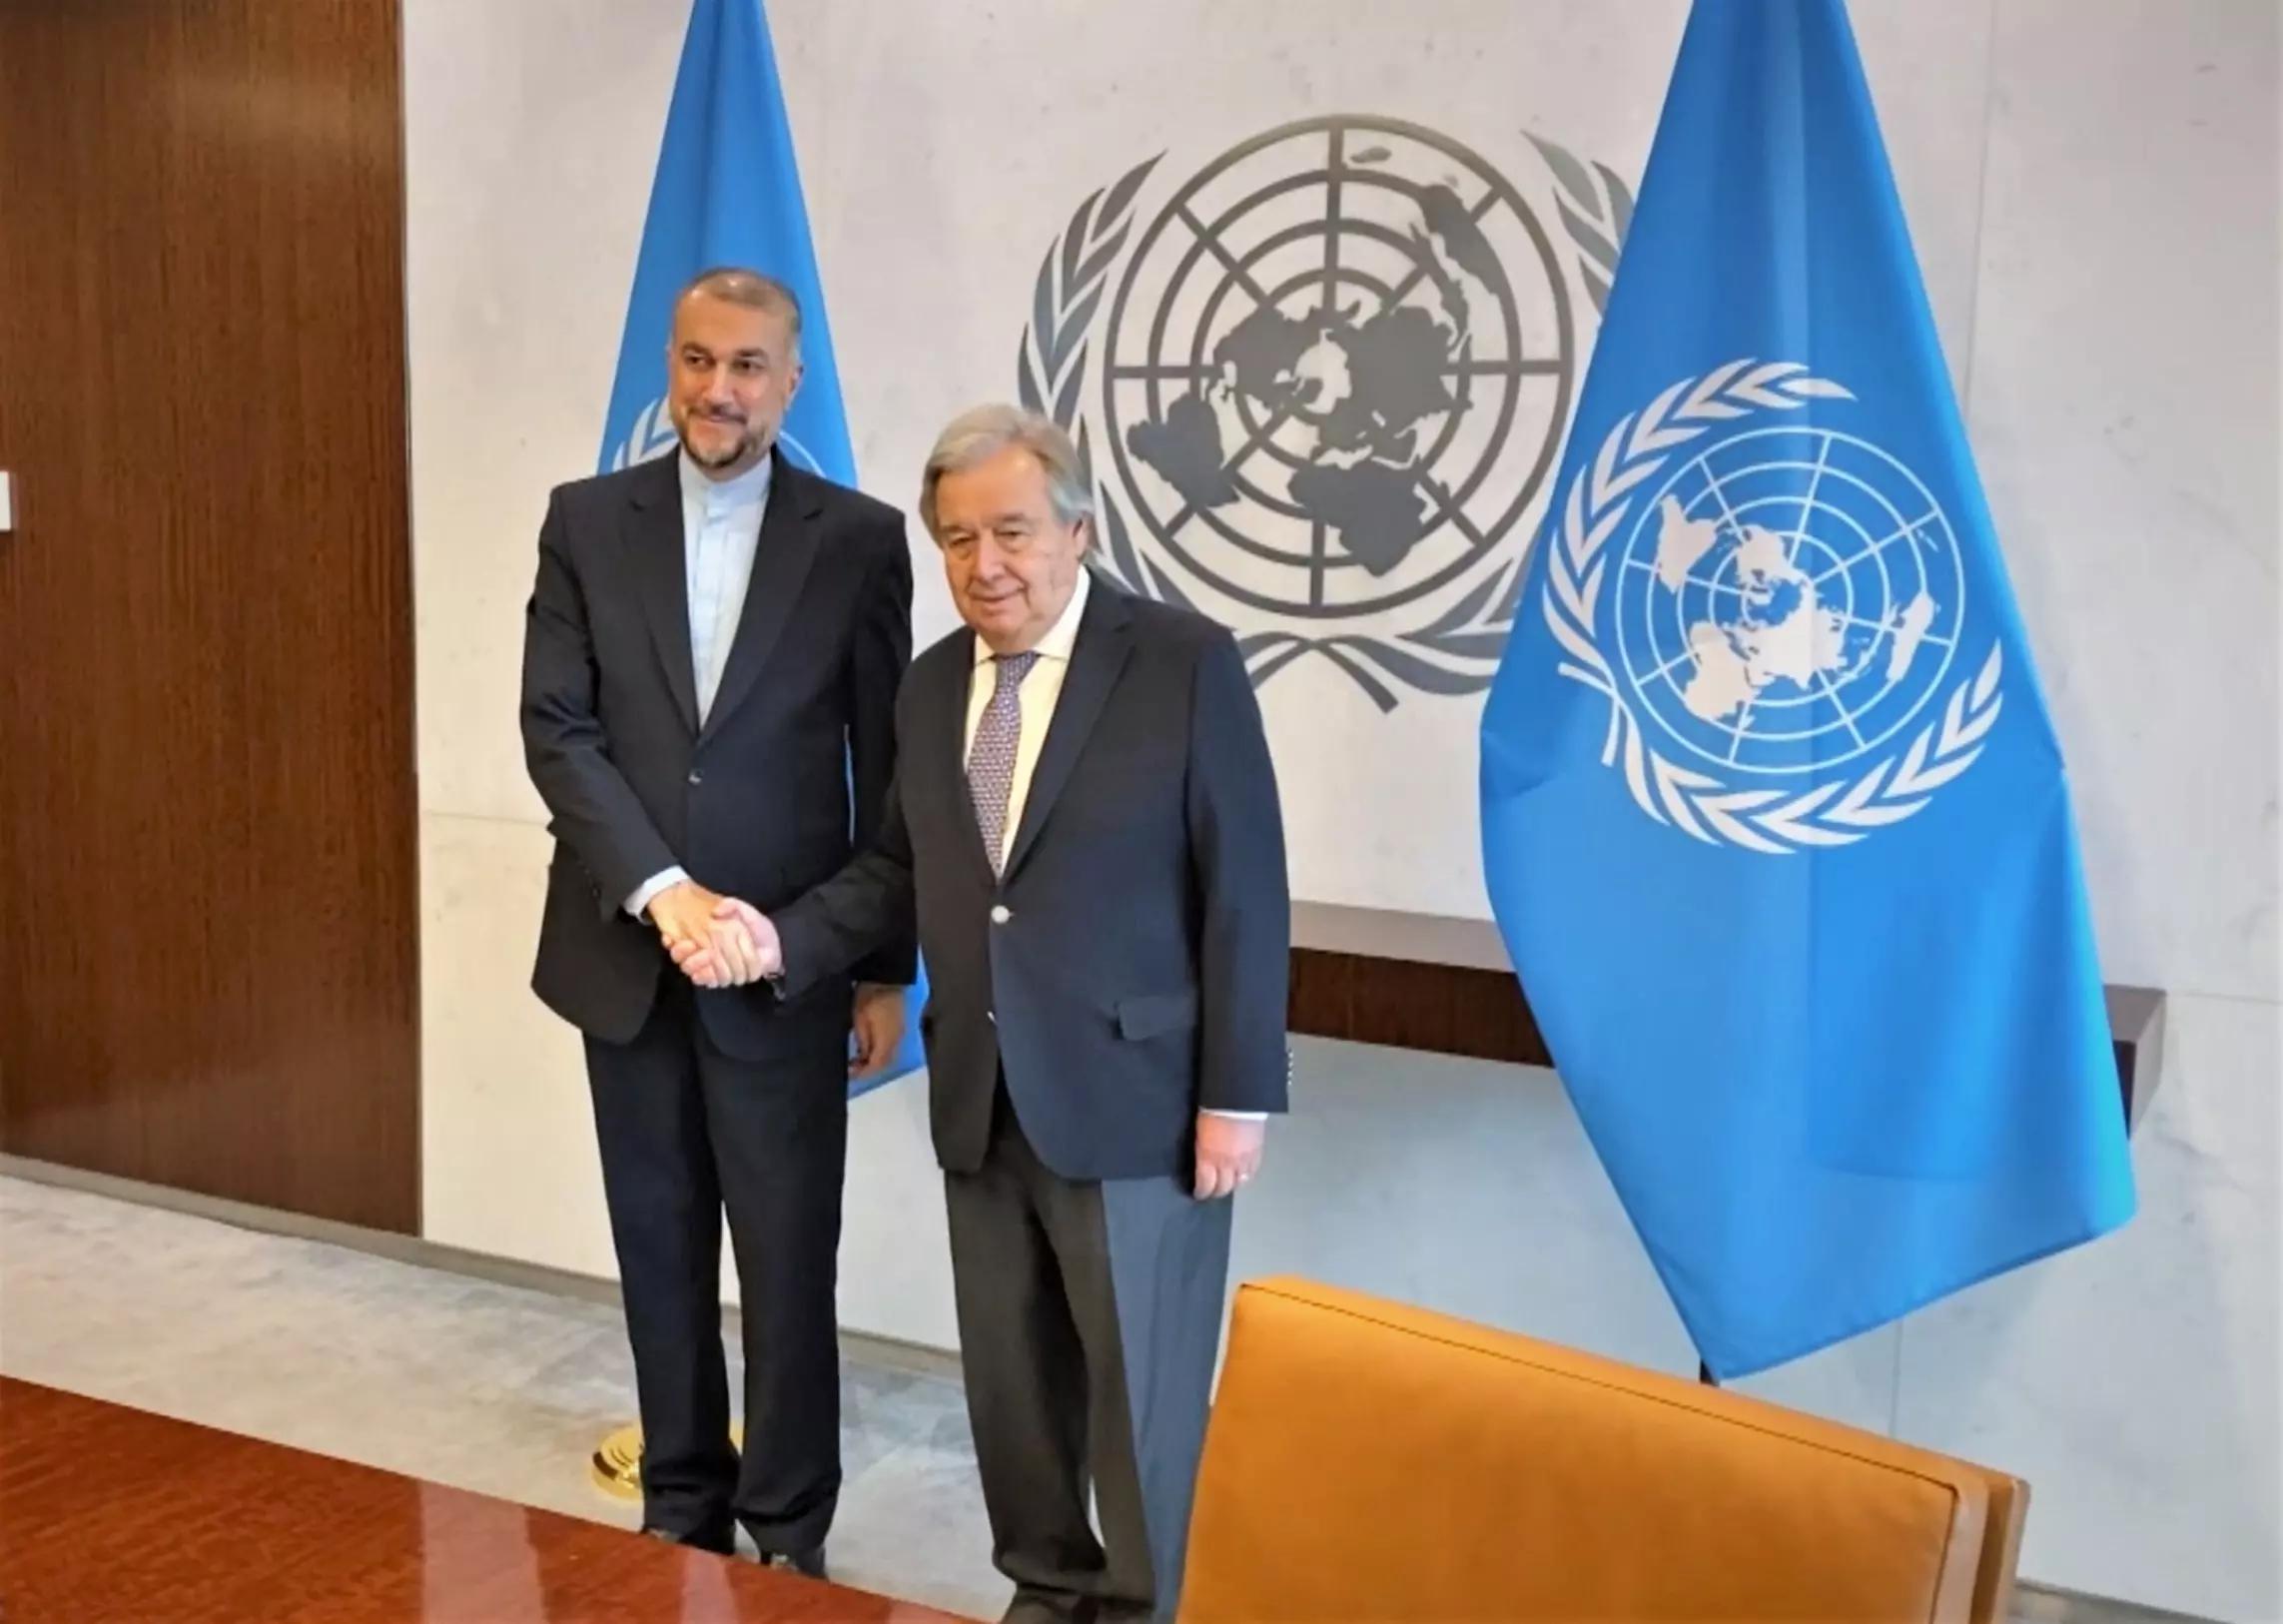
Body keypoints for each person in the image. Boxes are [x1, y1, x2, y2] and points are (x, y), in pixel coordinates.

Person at [679, 405, 1290, 1621]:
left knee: (1139, 1398)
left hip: (1139, 1106)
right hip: (981, 1094)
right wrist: (780, 938)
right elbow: (899, 871)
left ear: (1077, 531)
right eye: (955, 540)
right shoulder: (928, 685)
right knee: (1013, 1390)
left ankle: (1145, 1605)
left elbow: (1246, 887)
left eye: (1010, 531)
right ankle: (1046, 1589)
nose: (984, 565)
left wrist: (1236, 1094)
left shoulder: (1181, 661)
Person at [519, 266, 913, 1576]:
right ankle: (678, 1505)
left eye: (747, 365)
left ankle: (786, 1534)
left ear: (789, 382)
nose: (718, 388)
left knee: (790, 1263)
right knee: (657, 1244)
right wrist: (662, 888)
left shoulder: (858, 538)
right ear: (668, 369)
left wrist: (875, 968)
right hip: (625, 957)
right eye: (696, 361)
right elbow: (558, 730)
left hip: (784, 969)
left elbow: (886, 768)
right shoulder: (585, 520)